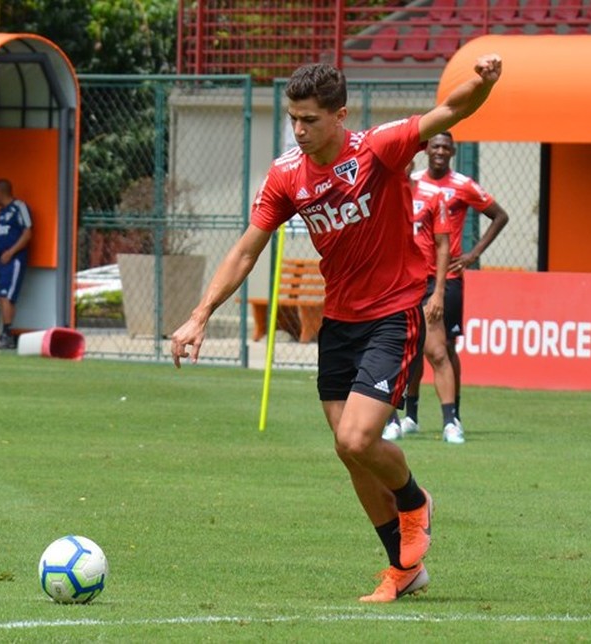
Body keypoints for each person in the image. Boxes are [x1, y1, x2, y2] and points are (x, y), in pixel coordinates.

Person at [170, 54, 502, 602]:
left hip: (392, 314)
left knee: (357, 436)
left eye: (311, 120)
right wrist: (199, 313)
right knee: (349, 452)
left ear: (339, 115)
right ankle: (404, 569)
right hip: (339, 323)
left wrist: (482, 83)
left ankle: (416, 502)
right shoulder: (285, 176)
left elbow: (447, 111)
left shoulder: (378, 148)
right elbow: (246, 250)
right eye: (293, 119)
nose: (299, 130)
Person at [397, 132, 510, 442]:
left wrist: (473, 254)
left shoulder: (462, 185)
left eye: (446, 147)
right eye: (435, 146)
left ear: (453, 152)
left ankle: (453, 416)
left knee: (444, 347)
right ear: (426, 151)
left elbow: (500, 216)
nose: (440, 151)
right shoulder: (412, 183)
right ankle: (411, 416)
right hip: (411, 278)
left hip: (446, 279)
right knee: (415, 348)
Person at [381, 179, 459, 444]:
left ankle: (450, 422)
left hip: (424, 284)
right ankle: (392, 421)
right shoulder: (376, 192)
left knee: (437, 351)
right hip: (391, 284)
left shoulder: (432, 195)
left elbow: (443, 245)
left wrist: (438, 291)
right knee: (391, 355)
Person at [0, 178, 33, 350]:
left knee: (6, 296)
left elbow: (28, 233)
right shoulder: (1, 212)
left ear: (0, 191)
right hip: (2, 260)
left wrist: (11, 252)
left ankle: (7, 334)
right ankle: (5, 333)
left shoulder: (19, 207)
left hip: (14, 260)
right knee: (3, 296)